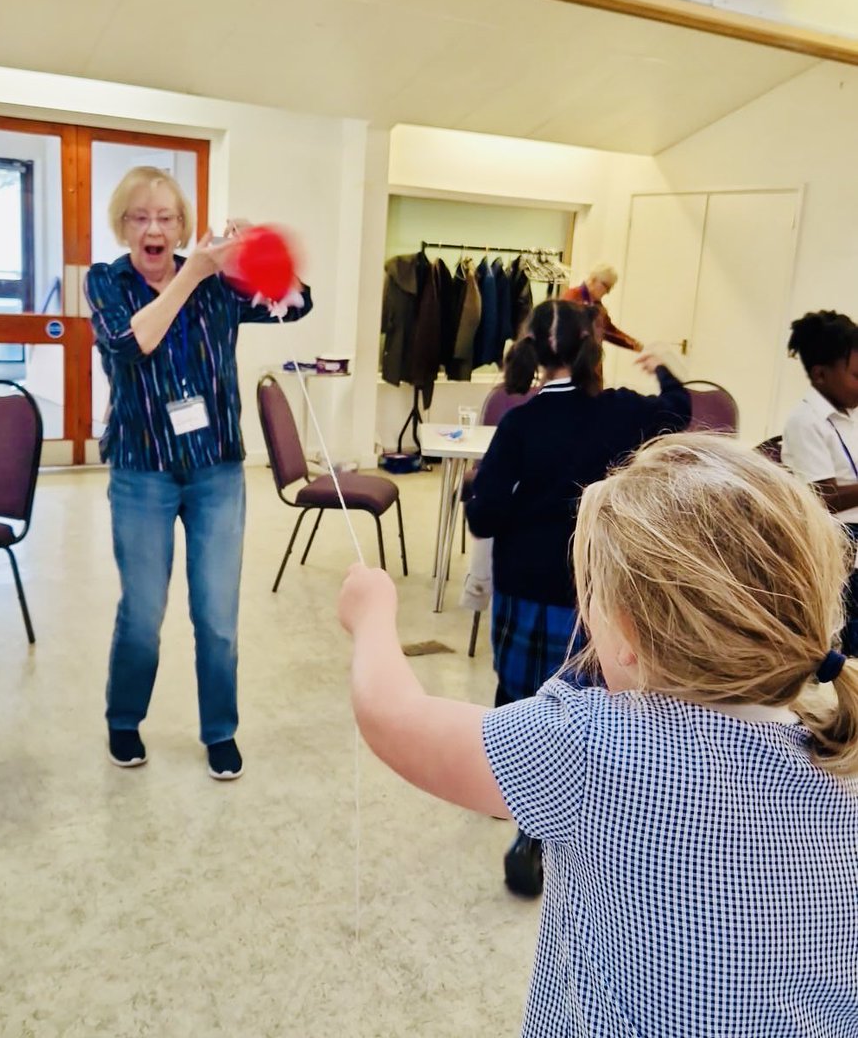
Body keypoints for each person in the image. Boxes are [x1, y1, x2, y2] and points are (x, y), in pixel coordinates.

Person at [339, 433, 858, 1038]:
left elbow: (392, 717)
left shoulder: (599, 748)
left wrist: (372, 614)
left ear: (629, 638)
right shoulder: (840, 753)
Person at [84, 167, 312, 779]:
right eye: (139, 217)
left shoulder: (217, 283)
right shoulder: (106, 281)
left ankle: (220, 730)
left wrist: (257, 252)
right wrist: (194, 274)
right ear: (122, 226)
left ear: (182, 225)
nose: (153, 229)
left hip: (216, 471)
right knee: (142, 611)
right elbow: (129, 344)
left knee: (216, 615)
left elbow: (295, 303)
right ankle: (124, 719)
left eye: (165, 217)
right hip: (142, 470)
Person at [463, 298, 690, 895]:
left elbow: (484, 518)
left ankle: (511, 791)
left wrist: (478, 492)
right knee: (585, 704)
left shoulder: (520, 423)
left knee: (518, 696)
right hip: (594, 590)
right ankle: (558, 818)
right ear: (593, 347)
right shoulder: (623, 412)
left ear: (532, 352)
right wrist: (662, 366)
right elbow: (678, 412)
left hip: (524, 585)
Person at [783, 309, 858, 656]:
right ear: (821, 375)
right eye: (856, 375)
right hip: (837, 540)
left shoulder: (851, 416)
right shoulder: (805, 421)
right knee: (846, 628)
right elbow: (823, 496)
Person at [562, 262, 642, 352]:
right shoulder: (573, 296)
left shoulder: (597, 305)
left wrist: (633, 344)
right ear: (593, 279)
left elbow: (609, 330)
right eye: (607, 287)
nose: (608, 292)